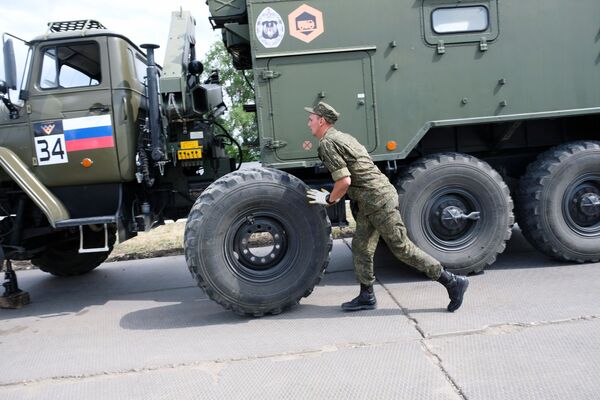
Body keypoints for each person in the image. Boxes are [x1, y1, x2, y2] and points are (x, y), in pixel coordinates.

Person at [305, 102, 468, 312]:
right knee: (361, 247)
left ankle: (452, 281)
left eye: (311, 119)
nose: (308, 123)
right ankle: (367, 296)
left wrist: (329, 199)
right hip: (369, 201)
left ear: (322, 121)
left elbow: (344, 181)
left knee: (402, 248)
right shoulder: (343, 137)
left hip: (377, 200)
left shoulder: (328, 143)